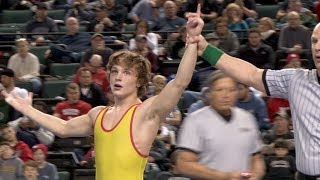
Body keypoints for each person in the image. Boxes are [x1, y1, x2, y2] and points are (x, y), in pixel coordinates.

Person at [2, 5, 200, 179]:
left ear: (139, 81)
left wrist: (191, 42)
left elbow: (179, 83)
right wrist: (27, 109)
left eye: (126, 72)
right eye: (114, 71)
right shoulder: (98, 114)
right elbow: (63, 128)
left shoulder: (146, 112)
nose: (118, 77)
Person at [185, 5, 320, 177]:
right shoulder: (296, 80)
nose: (317, 47)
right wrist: (203, 47)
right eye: (314, 41)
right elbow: (249, 74)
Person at [176, 71, 265, 180]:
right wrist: (224, 177)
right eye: (220, 90)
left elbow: (256, 158)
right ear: (209, 93)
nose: (226, 95)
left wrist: (255, 176)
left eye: (231, 90)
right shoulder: (195, 120)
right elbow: (184, 165)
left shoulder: (247, 118)